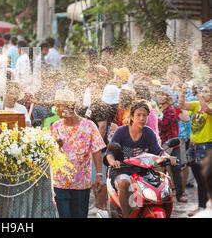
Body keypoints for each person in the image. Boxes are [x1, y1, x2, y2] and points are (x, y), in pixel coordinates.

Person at [106, 101, 177, 218]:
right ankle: (126, 215)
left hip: (143, 172)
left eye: (144, 115)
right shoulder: (121, 132)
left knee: (164, 181)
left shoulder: (148, 132)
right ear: (132, 117)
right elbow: (110, 152)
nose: (142, 118)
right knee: (124, 183)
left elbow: (158, 150)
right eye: (138, 115)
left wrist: (167, 157)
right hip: (122, 170)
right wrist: (113, 161)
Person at [51, 88, 106, 218]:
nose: (57, 109)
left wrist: (99, 174)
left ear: (70, 106)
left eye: (60, 106)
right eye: (56, 105)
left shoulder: (89, 125)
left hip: (81, 183)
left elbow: (97, 150)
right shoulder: (56, 126)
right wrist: (55, 145)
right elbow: (51, 153)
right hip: (60, 182)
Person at [179, 83, 212, 216]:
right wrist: (182, 91)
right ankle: (201, 206)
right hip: (193, 146)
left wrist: (199, 95)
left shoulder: (206, 105)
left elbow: (205, 108)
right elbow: (182, 105)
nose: (203, 93)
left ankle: (205, 207)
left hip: (207, 146)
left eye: (206, 91)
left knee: (206, 178)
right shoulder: (197, 103)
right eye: (202, 90)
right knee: (199, 179)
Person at [156, 86, 187, 203]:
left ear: (167, 97)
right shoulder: (160, 109)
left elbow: (164, 125)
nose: (159, 96)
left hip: (172, 143)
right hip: (163, 143)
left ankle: (179, 194)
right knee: (162, 169)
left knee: (176, 169)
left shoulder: (171, 110)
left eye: (162, 94)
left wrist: (155, 118)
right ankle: (163, 194)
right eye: (158, 94)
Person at [193, 151, 212, 218]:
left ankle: (202, 206)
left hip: (205, 145)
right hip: (195, 145)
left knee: (202, 182)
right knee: (200, 182)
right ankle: (201, 206)